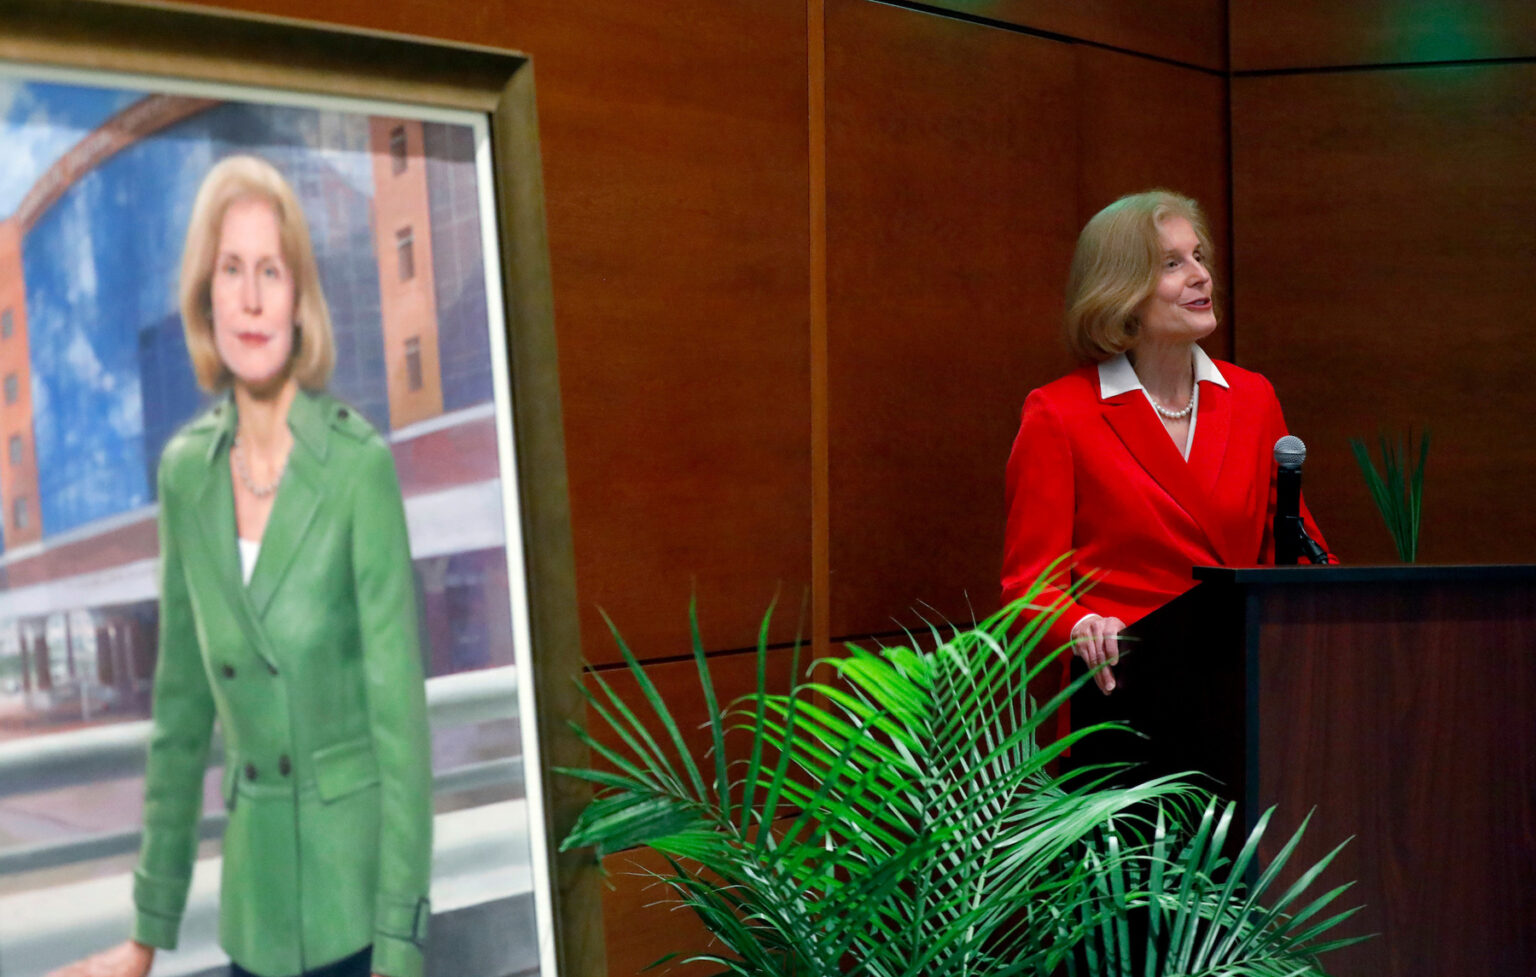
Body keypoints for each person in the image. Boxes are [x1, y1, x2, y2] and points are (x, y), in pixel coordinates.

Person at [49, 156, 432, 977]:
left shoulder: (358, 469)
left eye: (271, 270)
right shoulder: (186, 475)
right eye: (232, 269)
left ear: (299, 300)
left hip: (356, 918)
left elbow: (404, 743)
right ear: (206, 296)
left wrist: (400, 957)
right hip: (254, 922)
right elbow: (181, 722)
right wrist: (145, 937)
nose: (252, 297)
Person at [1000, 189, 1332, 738]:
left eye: (1198, 257)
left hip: (1248, 694)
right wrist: (1081, 622)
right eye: (1172, 264)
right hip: (1127, 704)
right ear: (1120, 289)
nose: (1200, 275)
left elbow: (1298, 552)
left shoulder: (1253, 398)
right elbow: (1027, 588)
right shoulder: (1059, 413)